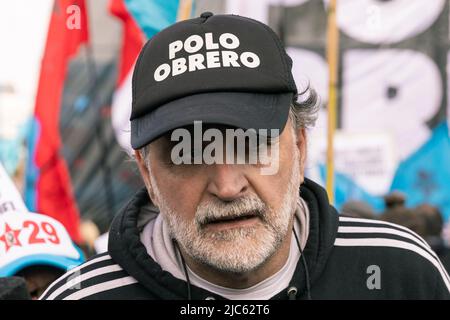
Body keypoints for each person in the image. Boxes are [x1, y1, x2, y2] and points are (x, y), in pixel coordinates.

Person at [42, 12, 450, 300]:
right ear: (147, 172)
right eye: (189, 154)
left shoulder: (402, 274)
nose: (227, 185)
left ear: (301, 146)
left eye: (252, 144)